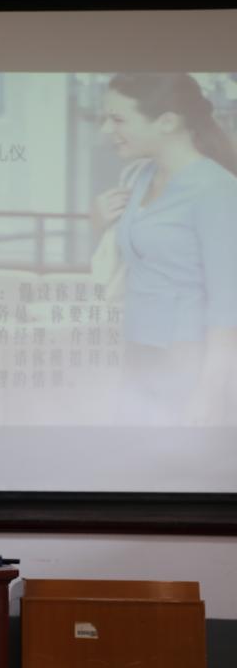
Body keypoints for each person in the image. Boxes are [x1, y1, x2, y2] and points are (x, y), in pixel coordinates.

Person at [92, 73, 237, 425]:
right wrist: (99, 223)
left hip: (187, 360)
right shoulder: (138, 176)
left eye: (118, 119)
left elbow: (228, 308)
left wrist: (208, 396)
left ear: (168, 122)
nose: (106, 130)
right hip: (136, 352)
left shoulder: (217, 190)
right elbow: (136, 261)